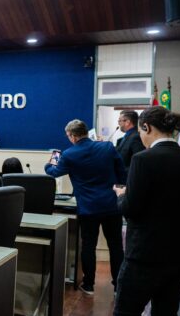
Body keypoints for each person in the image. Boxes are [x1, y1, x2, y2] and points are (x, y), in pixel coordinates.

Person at [112, 106, 180, 316]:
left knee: (124, 315)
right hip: (178, 256)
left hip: (144, 255)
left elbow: (131, 209)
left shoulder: (144, 160)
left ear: (146, 128)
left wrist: (123, 194)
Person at [44, 119, 126, 295]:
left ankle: (88, 284)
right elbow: (122, 173)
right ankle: (118, 286)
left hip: (88, 208)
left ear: (72, 136)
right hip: (112, 205)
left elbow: (53, 172)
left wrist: (52, 159)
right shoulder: (107, 147)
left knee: (88, 245)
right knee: (116, 246)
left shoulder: (69, 154)